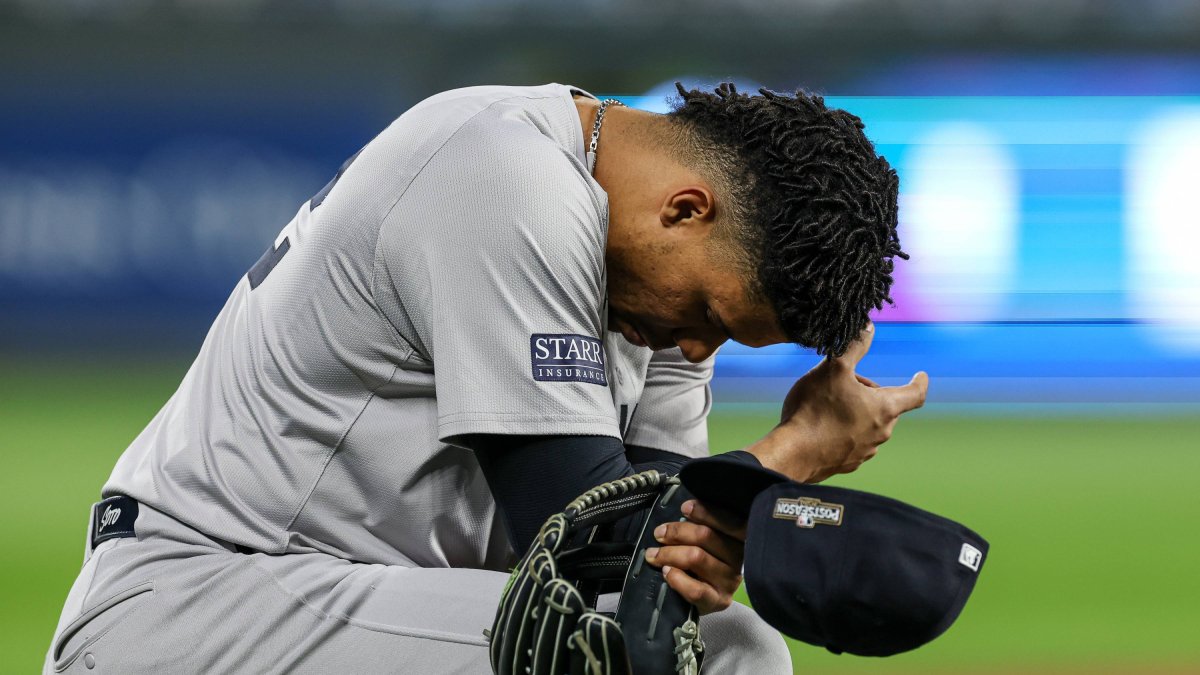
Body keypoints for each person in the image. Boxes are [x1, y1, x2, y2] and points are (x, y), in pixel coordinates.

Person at [45, 82, 927, 673]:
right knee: (725, 654)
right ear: (686, 208)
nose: (696, 351)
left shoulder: (648, 272)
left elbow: (650, 554)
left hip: (342, 605)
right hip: (203, 601)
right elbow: (575, 530)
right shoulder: (507, 177)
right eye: (707, 316)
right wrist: (794, 455)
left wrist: (733, 524)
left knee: (691, 633)